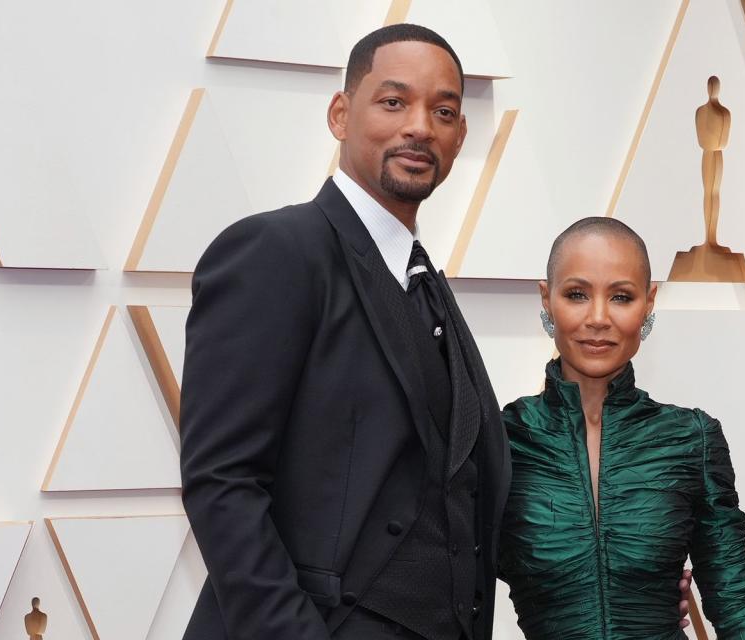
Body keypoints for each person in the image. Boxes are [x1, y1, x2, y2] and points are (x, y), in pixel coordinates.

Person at [179, 24, 510, 640]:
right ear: (340, 114)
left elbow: (462, 488)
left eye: (443, 111)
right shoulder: (275, 251)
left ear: (459, 138)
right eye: (394, 102)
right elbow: (222, 484)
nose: (419, 126)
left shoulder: (427, 284)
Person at [498, 217, 745, 639]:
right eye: (577, 294)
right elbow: (452, 587)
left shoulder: (691, 438)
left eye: (621, 297)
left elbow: (735, 600)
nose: (598, 318)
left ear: (648, 303)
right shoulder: (500, 440)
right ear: (547, 299)